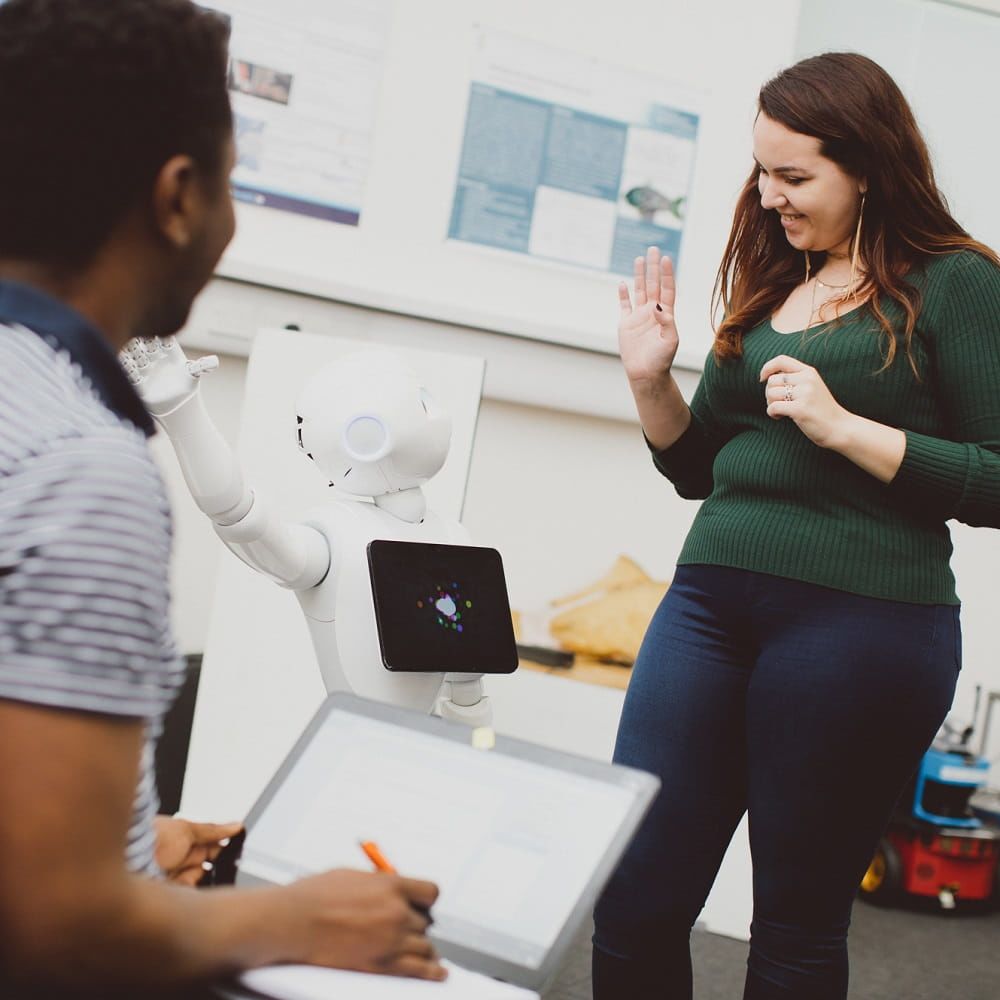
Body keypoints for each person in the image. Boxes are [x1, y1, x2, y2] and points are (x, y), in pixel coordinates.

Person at [0, 1, 444, 996]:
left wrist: (119, 842)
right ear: (179, 196)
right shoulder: (84, 471)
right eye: (235, 182)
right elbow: (53, 927)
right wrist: (290, 912)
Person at [592, 52, 1000, 1000]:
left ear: (869, 166)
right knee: (632, 896)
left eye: (795, 175)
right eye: (762, 171)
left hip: (863, 628)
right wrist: (652, 382)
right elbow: (704, 472)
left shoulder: (959, 283)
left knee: (793, 927)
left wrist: (847, 428)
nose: (770, 196)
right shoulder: (779, 276)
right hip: (706, 606)